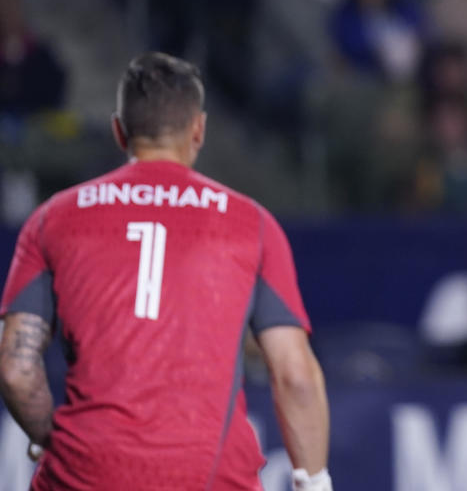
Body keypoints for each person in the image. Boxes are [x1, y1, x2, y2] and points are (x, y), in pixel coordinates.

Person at [0, 53, 333, 491]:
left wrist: (53, 441)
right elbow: (295, 374)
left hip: (84, 476)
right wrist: (315, 482)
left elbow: (16, 370)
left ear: (119, 131)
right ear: (199, 130)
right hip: (210, 477)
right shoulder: (251, 225)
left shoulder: (52, 219)